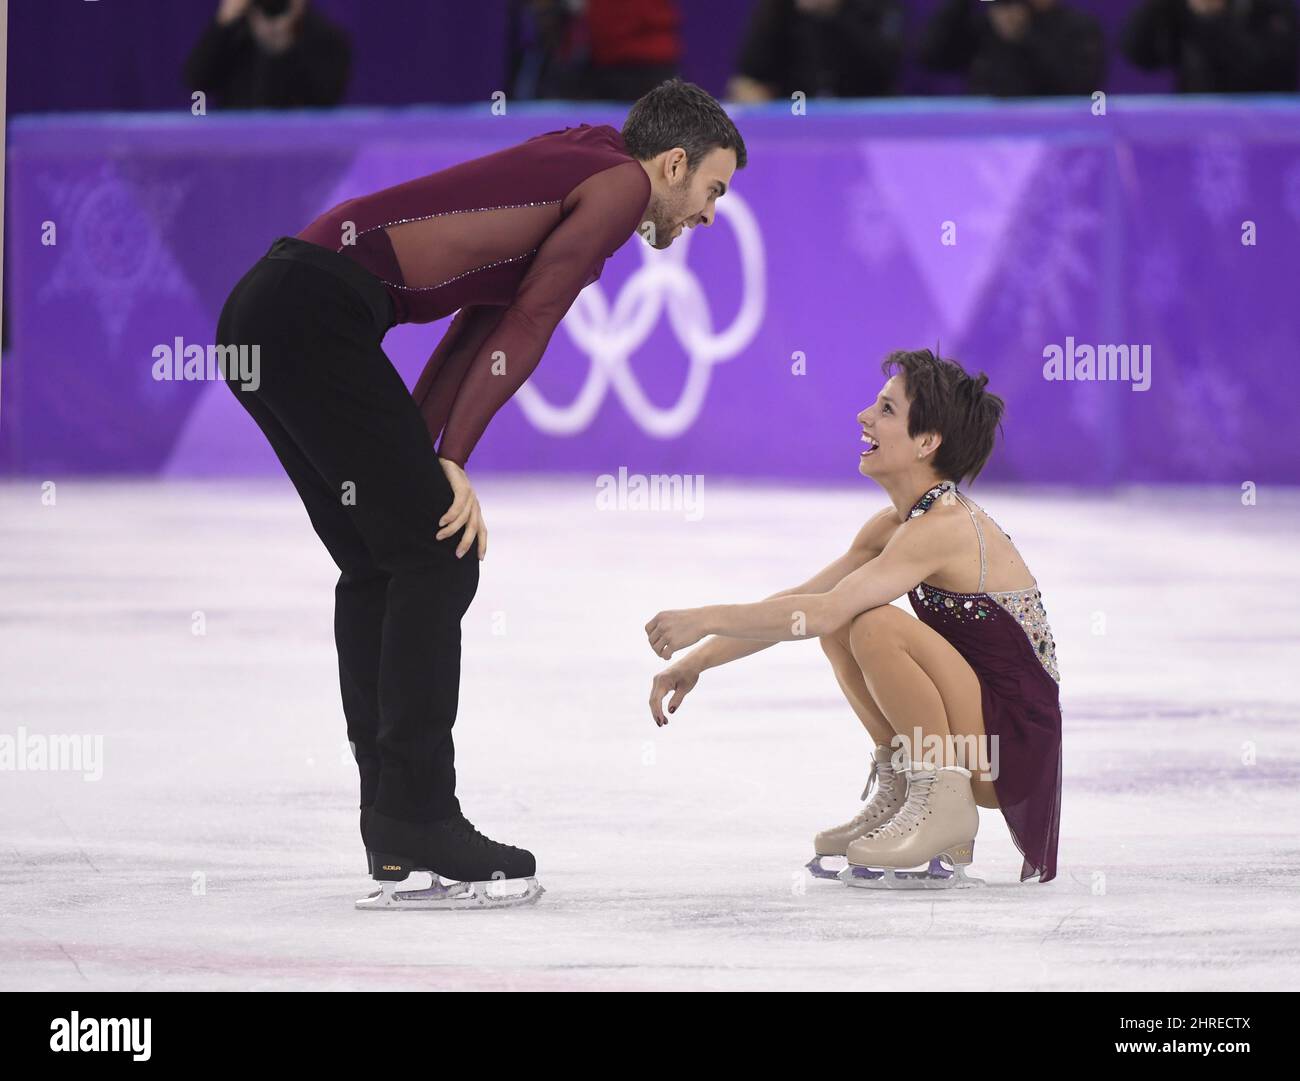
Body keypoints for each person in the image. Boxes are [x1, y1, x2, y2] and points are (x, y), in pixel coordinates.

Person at [216, 79, 745, 909]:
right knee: (438, 554)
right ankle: (417, 817)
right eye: (712, 188)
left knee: (382, 561)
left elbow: (480, 324)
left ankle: (394, 821)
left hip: (268, 309)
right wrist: (451, 460)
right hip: (312, 314)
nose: (709, 213)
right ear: (673, 162)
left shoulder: (588, 160)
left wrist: (430, 454)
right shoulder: (622, 187)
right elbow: (532, 319)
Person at [645, 349, 1062, 888]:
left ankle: (944, 800)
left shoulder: (944, 526)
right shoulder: (893, 527)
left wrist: (702, 617)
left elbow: (819, 612)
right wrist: (697, 661)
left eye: (887, 410)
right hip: (979, 724)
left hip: (1010, 744)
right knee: (847, 622)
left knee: (870, 624)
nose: (864, 416)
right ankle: (910, 787)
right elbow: (804, 602)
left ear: (927, 442)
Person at [918, 0, 1106, 97]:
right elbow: (931, 56)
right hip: (984, 144)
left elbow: (1080, 88)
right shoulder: (987, 26)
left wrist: (1025, 36)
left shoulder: (1077, 27)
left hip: (1048, 143)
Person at [184, 0, 351, 110]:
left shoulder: (325, 37)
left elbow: (326, 99)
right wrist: (222, 24)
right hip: (237, 149)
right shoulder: (235, 32)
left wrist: (285, 49)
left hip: (298, 149)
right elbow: (196, 81)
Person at [728, 0, 905, 102]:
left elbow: (885, 68)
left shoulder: (877, 5)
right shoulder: (781, 7)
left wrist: (834, 13)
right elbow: (752, 73)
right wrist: (751, 89)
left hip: (865, 112)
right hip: (799, 113)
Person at [1121, 0, 1299, 93]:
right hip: (1194, 126)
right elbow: (1139, 55)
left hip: (1260, 132)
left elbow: (1270, 72)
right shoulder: (1176, 5)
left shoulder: (1270, 7)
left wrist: (1211, 17)